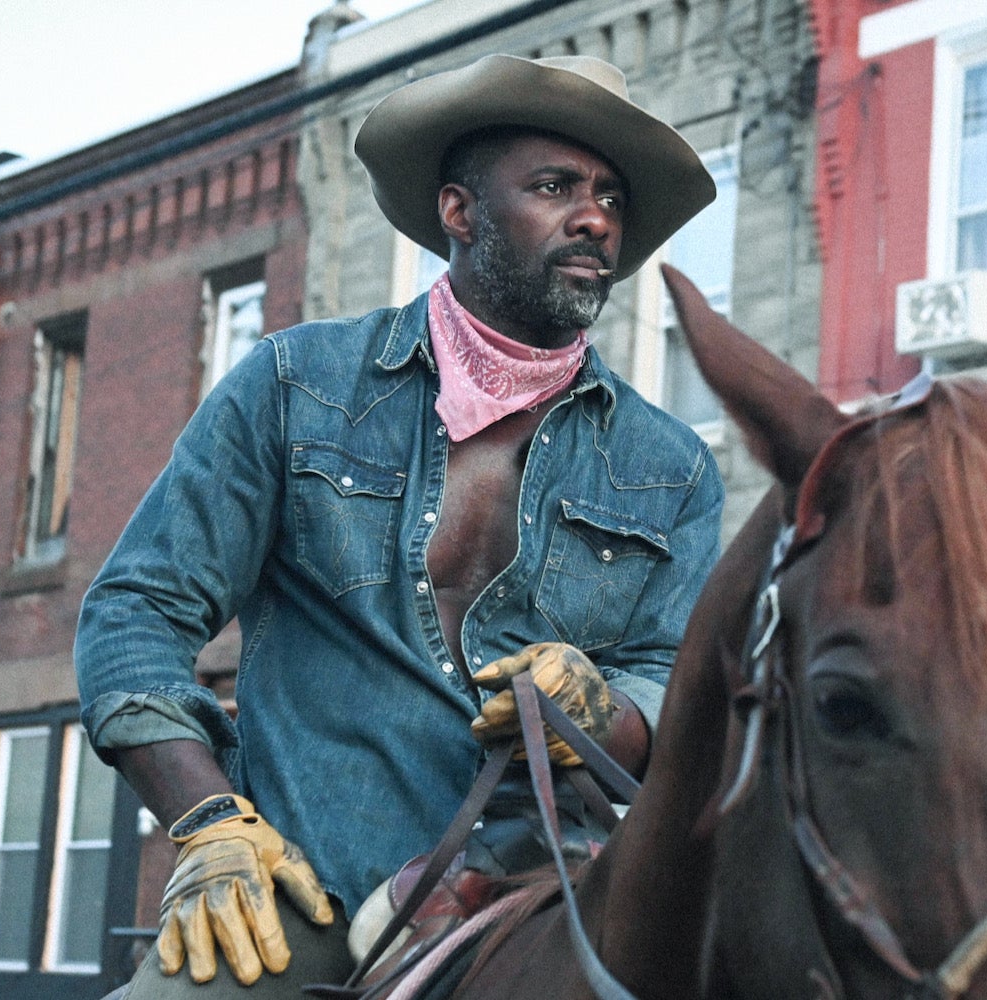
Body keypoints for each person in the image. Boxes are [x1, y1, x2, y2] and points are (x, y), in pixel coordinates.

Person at [76, 54, 722, 997]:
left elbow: (675, 687)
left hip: (551, 900)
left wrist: (601, 710)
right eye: (555, 187)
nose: (595, 219)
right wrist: (208, 822)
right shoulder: (296, 385)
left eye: (611, 199)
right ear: (459, 212)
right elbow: (134, 612)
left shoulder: (673, 466)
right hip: (311, 890)